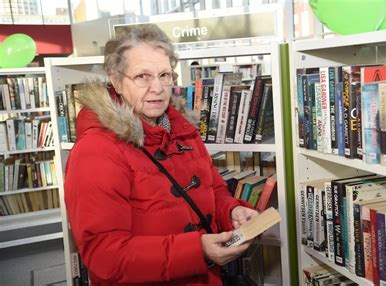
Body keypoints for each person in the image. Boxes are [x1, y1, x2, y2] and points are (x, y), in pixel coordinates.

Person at [64, 24, 258, 286]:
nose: (157, 88)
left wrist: (233, 212)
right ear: (116, 80)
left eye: (164, 75)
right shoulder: (96, 150)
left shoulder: (183, 131)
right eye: (143, 76)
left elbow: (214, 192)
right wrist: (196, 251)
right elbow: (104, 254)